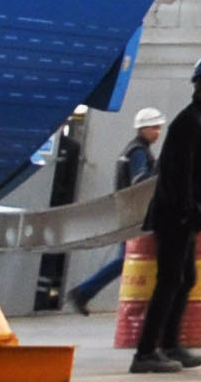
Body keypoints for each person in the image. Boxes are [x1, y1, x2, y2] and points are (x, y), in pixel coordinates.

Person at [127, 59, 201, 374]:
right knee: (170, 280)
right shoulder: (189, 122)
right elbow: (178, 173)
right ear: (200, 85)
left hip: (187, 215)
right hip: (175, 215)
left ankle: (170, 344)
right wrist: (187, 212)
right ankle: (145, 352)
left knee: (185, 278)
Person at [64, 109, 163, 312]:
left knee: (125, 259)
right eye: (154, 128)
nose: (158, 132)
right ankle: (82, 291)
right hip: (133, 213)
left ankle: (83, 292)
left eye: (159, 128)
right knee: (126, 259)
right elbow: (140, 181)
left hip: (128, 211)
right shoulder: (138, 152)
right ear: (142, 129)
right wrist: (161, 173)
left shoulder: (135, 149)